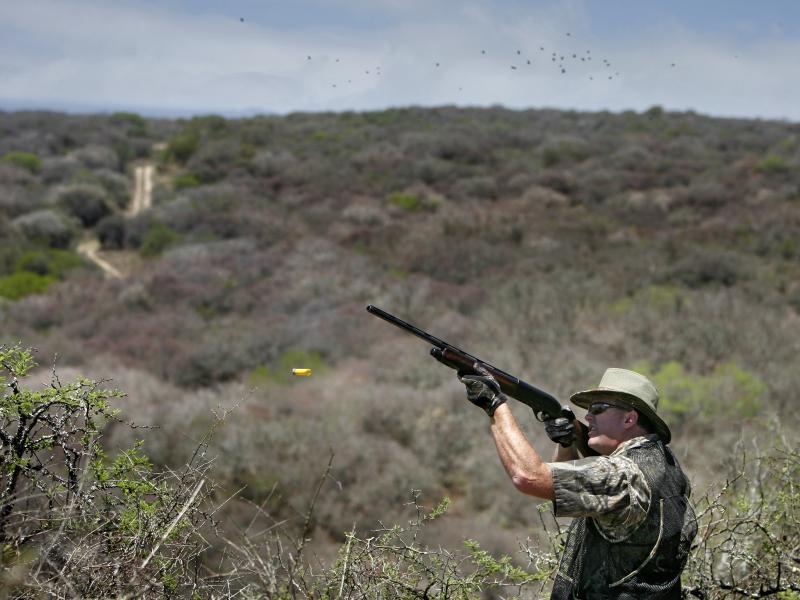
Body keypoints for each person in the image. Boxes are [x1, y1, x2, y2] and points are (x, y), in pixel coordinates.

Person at [459, 366, 696, 600]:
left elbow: (528, 477)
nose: (588, 416)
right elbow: (580, 494)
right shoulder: (663, 461)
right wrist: (567, 443)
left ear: (629, 418)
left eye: (599, 409)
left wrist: (495, 405)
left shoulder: (623, 475)